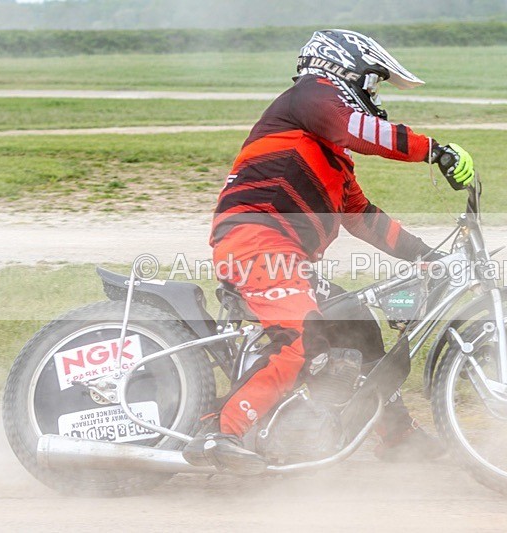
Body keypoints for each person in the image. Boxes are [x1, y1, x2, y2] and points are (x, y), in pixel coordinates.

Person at [182, 29, 475, 474]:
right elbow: (361, 128)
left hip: (284, 254)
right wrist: (433, 150)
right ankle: (219, 432)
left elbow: (362, 217)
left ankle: (394, 435)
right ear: (344, 69)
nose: (373, 96)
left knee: (358, 325)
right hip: (257, 240)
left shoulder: (330, 153)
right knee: (300, 338)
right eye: (372, 83)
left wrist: (427, 256)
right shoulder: (310, 96)